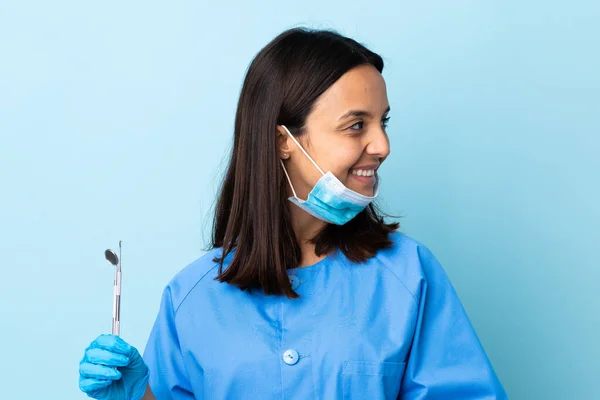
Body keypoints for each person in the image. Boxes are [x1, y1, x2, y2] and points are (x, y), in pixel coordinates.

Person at [78, 27, 507, 399]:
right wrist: (139, 398)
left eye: (383, 122)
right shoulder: (191, 297)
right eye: (356, 125)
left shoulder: (409, 275)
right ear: (284, 140)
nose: (382, 146)